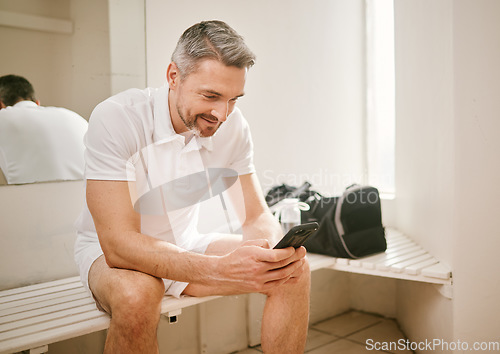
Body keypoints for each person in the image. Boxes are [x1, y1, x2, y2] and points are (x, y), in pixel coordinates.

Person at [74, 20, 310, 353]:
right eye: (211, 96)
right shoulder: (117, 118)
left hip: (185, 244)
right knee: (138, 294)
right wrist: (218, 269)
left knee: (293, 271)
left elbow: (255, 215)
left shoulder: (233, 126)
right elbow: (118, 244)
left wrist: (273, 252)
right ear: (173, 76)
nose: (222, 114)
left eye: (233, 99)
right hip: (109, 255)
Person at [0, 75, 88, 185]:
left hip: (26, 199)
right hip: (83, 198)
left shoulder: (3, 117)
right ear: (37, 103)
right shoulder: (75, 117)